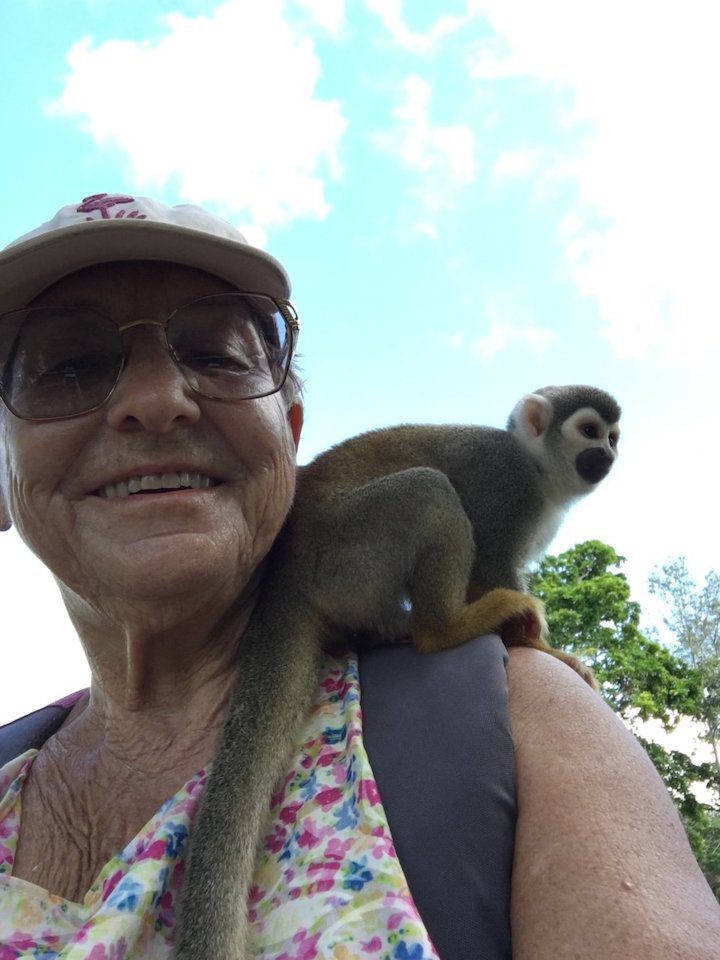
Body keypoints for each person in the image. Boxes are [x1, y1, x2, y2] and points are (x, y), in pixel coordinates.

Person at [0, 192, 717, 960]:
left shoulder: (519, 715)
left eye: (215, 357)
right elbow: (489, 565)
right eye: (67, 367)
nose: (156, 400)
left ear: (290, 441)